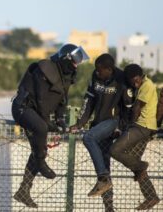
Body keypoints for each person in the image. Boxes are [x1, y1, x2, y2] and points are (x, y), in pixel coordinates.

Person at [12, 43, 89, 208]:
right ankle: (40, 162)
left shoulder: (66, 76)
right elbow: (40, 98)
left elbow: (62, 101)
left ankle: (23, 190)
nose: (76, 65)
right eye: (75, 61)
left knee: (39, 146)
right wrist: (47, 121)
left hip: (38, 113)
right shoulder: (45, 68)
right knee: (42, 128)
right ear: (66, 59)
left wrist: (60, 120)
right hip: (23, 107)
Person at [69, 53, 133, 211]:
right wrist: (80, 123)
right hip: (99, 124)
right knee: (105, 167)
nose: (97, 73)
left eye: (100, 70)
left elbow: (129, 108)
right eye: (96, 70)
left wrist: (122, 127)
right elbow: (88, 101)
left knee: (88, 138)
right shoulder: (95, 76)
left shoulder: (121, 79)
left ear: (110, 70)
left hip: (114, 122)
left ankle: (103, 178)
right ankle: (109, 207)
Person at [110, 64, 160, 210]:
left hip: (142, 127)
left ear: (140, 76)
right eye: (131, 81)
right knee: (134, 164)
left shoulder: (147, 85)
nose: (134, 83)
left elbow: (137, 107)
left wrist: (127, 127)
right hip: (143, 127)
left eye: (135, 79)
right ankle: (151, 197)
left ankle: (141, 166)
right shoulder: (142, 85)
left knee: (115, 150)